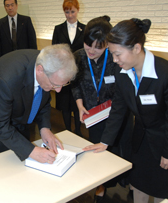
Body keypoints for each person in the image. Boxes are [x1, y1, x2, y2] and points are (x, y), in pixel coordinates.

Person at [83, 18, 168, 203]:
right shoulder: (122, 73)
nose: (115, 60)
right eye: (112, 54)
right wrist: (105, 142)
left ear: (137, 48)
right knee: (138, 186)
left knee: (161, 193)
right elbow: (118, 109)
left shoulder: (167, 73)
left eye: (118, 54)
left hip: (167, 141)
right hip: (141, 141)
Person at [0, 44, 78, 163]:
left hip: (19, 116)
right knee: (0, 168)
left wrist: (44, 128)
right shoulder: (6, 79)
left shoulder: (49, 66)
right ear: (40, 70)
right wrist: (31, 151)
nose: (58, 90)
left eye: (63, 85)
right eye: (55, 85)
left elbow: (43, 101)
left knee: (22, 163)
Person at [71, 15, 133, 202]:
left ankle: (130, 183)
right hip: (93, 114)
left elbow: (125, 87)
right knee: (98, 151)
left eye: (98, 47)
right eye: (89, 44)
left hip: (118, 113)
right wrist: (80, 105)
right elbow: (75, 84)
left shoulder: (115, 58)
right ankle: (101, 187)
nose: (91, 50)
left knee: (124, 149)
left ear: (107, 44)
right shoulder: (79, 57)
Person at [52, 0, 85, 136]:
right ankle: (68, 130)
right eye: (67, 12)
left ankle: (78, 131)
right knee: (65, 102)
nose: (70, 15)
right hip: (63, 71)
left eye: (72, 11)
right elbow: (54, 50)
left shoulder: (85, 28)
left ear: (77, 10)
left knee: (77, 102)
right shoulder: (58, 29)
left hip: (80, 71)